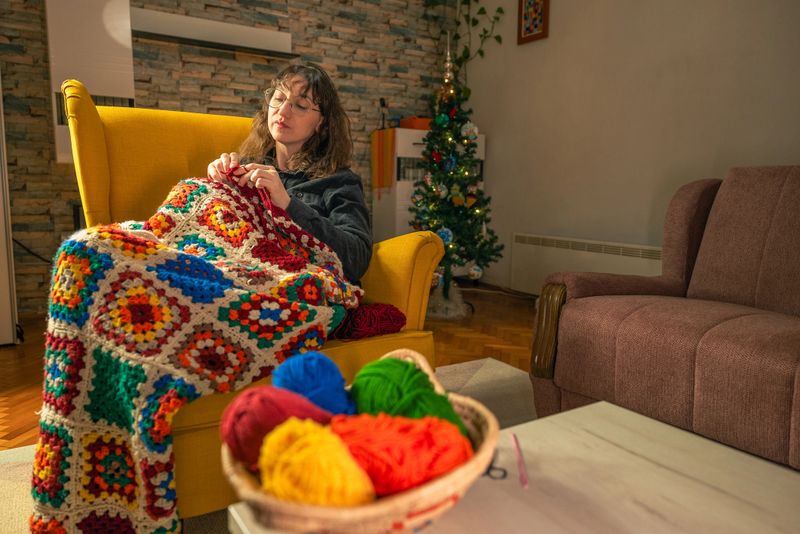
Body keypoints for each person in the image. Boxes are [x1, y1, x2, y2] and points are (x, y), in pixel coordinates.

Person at [207, 63, 372, 282]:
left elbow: (356, 259)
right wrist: (219, 188)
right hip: (235, 276)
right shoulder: (248, 167)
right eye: (278, 99)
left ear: (322, 123)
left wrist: (288, 204)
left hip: (294, 290)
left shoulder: (339, 181)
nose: (283, 111)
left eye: (301, 105)